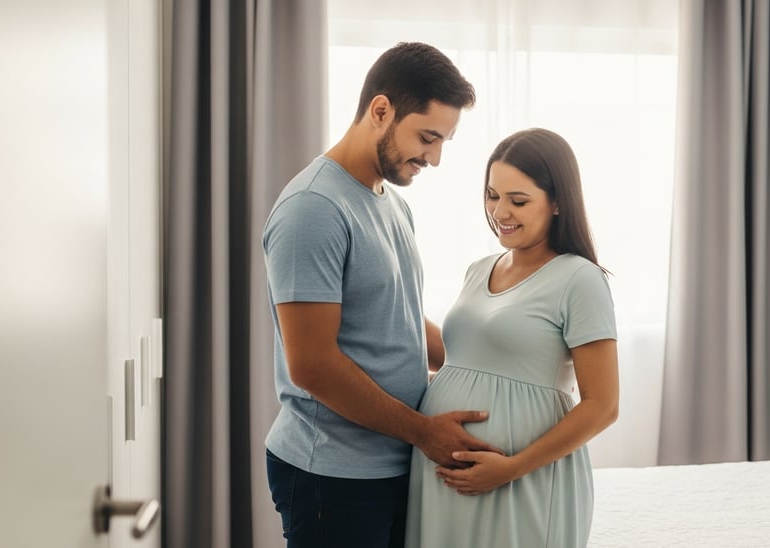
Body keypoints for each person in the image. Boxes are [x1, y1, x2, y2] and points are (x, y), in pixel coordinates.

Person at [261, 42, 501, 548]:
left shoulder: (389, 202)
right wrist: (422, 431)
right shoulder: (314, 209)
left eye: (443, 143)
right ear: (380, 110)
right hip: (333, 474)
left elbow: (403, 322)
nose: (434, 158)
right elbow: (312, 365)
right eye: (427, 137)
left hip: (391, 463)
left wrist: (494, 365)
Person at [405, 128, 620, 548]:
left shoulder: (580, 279)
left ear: (557, 202)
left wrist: (511, 468)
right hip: (441, 475)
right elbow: (463, 360)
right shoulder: (479, 268)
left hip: (521, 478)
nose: (500, 211)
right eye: (492, 195)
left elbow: (603, 406)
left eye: (518, 200)